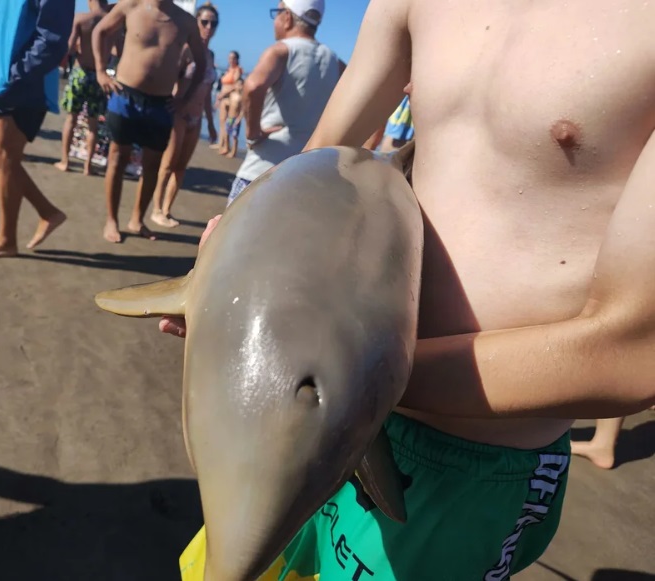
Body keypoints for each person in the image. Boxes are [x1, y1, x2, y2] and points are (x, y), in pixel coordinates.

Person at [163, 0, 655, 578]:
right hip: (305, 429)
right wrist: (236, 276)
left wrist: (331, 384)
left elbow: (631, 354)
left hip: (470, 460)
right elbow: (316, 167)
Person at [0, 0, 74, 259]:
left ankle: (6, 240)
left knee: (4, 156)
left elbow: (52, 39)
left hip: (23, 84)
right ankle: (48, 212)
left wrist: (14, 76)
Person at [93, 0, 207, 243]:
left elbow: (201, 62)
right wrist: (101, 71)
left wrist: (184, 99)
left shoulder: (185, 21)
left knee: (152, 164)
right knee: (117, 158)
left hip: (161, 103)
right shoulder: (130, 6)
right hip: (125, 95)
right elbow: (100, 31)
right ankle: (111, 220)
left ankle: (137, 219)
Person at [225, 0, 344, 207]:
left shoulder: (281, 51)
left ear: (287, 17)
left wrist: (253, 134)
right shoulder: (335, 61)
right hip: (304, 173)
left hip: (262, 169)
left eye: (277, 12)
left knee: (230, 236)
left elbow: (253, 87)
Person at [150, 2, 220, 230]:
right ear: (196, 22)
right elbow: (169, 76)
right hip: (178, 116)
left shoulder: (210, 55)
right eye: (205, 22)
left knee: (181, 168)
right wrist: (173, 101)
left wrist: (211, 124)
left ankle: (167, 209)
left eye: (214, 23)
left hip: (196, 118)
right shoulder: (186, 50)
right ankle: (156, 209)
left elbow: (207, 94)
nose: (209, 27)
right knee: (168, 164)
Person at [55, 0, 113, 176]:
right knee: (93, 124)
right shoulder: (112, 22)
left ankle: (65, 161)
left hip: (80, 73)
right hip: (99, 75)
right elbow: (119, 51)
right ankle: (88, 166)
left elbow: (70, 48)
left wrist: (80, 47)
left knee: (71, 119)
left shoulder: (81, 19)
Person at [213, 49, 242, 152]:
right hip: (223, 97)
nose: (231, 60)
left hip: (230, 98)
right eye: (230, 58)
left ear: (237, 59)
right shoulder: (229, 70)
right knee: (222, 121)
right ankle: (221, 143)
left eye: (233, 58)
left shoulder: (237, 70)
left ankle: (227, 146)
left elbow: (235, 85)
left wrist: (223, 94)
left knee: (228, 123)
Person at [222, 77, 243, 158]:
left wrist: (239, 118)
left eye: (240, 85)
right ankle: (226, 148)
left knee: (234, 136)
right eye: (237, 85)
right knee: (226, 133)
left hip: (235, 119)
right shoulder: (232, 94)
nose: (238, 86)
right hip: (229, 117)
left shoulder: (241, 97)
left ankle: (234, 151)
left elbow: (242, 110)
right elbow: (224, 96)